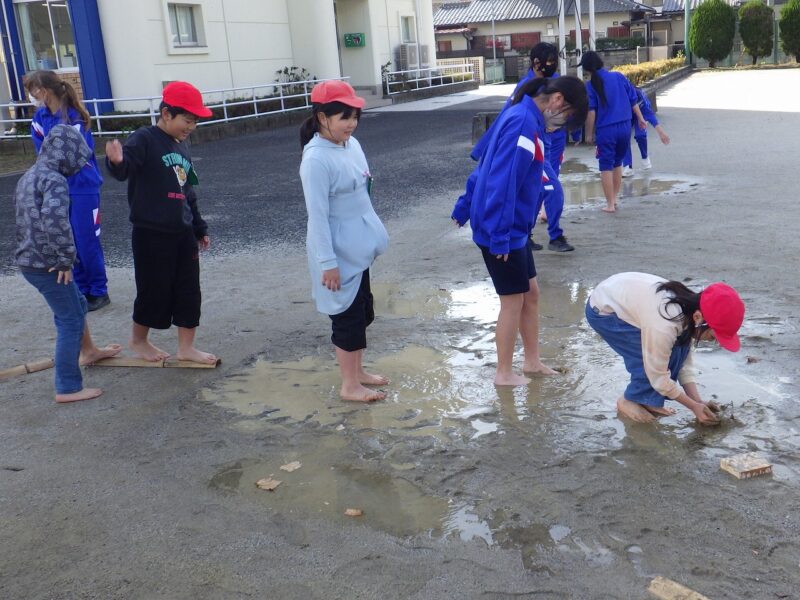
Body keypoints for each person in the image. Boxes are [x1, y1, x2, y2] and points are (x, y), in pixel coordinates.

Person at [452, 76, 588, 386]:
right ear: (557, 102)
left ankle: (531, 361)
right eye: (567, 117)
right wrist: (497, 234)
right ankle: (503, 372)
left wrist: (465, 205)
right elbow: (501, 180)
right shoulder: (522, 123)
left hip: (512, 228)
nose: (563, 126)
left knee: (531, 294)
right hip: (502, 229)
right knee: (512, 301)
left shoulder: (525, 117)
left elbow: (484, 164)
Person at [105, 81, 216, 365]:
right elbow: (125, 168)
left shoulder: (183, 146)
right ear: (166, 113)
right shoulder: (145, 138)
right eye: (187, 119)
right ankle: (139, 340)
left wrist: (199, 227)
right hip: (151, 232)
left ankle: (186, 347)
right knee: (153, 289)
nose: (191, 126)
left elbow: (188, 190)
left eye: (195, 121)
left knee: (189, 290)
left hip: (183, 231)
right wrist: (116, 161)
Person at [15, 125, 121, 403]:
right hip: (50, 265)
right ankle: (68, 386)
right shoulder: (55, 181)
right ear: (67, 155)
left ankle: (90, 351)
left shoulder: (29, 176)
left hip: (31, 260)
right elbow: (55, 221)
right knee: (70, 319)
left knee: (76, 305)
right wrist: (63, 261)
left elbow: (25, 221)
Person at [299, 80, 390, 402]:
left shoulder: (351, 144)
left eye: (354, 116)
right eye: (344, 117)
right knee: (346, 316)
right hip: (337, 252)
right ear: (323, 118)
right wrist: (328, 263)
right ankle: (349, 385)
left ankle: (359, 371)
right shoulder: (315, 160)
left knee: (363, 310)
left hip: (359, 246)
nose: (351, 123)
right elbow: (318, 216)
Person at [585, 272, 745, 425]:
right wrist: (692, 407)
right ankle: (629, 401)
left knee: (676, 349)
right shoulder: (665, 322)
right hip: (603, 312)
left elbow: (684, 362)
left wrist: (698, 401)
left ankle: (647, 399)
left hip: (621, 297)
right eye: (713, 337)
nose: (713, 342)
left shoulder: (690, 309)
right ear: (698, 318)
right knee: (652, 357)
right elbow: (658, 376)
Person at [473, 43, 575, 252]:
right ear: (535, 62)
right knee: (551, 189)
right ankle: (555, 236)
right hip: (533, 145)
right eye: (548, 60)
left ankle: (527, 234)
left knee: (537, 190)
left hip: (551, 145)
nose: (552, 64)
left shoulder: (555, 82)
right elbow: (505, 117)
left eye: (554, 60)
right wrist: (483, 150)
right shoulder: (526, 87)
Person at [24, 70, 110, 311]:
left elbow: (71, 155)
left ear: (43, 90)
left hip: (82, 186)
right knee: (67, 241)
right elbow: (43, 154)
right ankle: (81, 289)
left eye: (32, 90)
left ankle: (98, 291)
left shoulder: (73, 117)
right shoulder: (40, 118)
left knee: (86, 241)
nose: (31, 96)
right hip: (57, 188)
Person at [578, 51, 647, 213]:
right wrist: (641, 118)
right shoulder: (618, 77)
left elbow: (591, 112)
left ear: (587, 69)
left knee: (605, 166)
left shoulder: (590, 85)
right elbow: (633, 99)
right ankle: (614, 200)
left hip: (606, 129)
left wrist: (588, 133)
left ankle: (609, 204)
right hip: (624, 127)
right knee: (617, 163)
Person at [622, 87, 670, 177]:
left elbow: (651, 117)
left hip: (642, 113)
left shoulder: (640, 97)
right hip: (627, 115)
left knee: (641, 135)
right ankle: (628, 166)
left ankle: (645, 157)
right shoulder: (619, 98)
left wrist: (661, 133)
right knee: (624, 136)